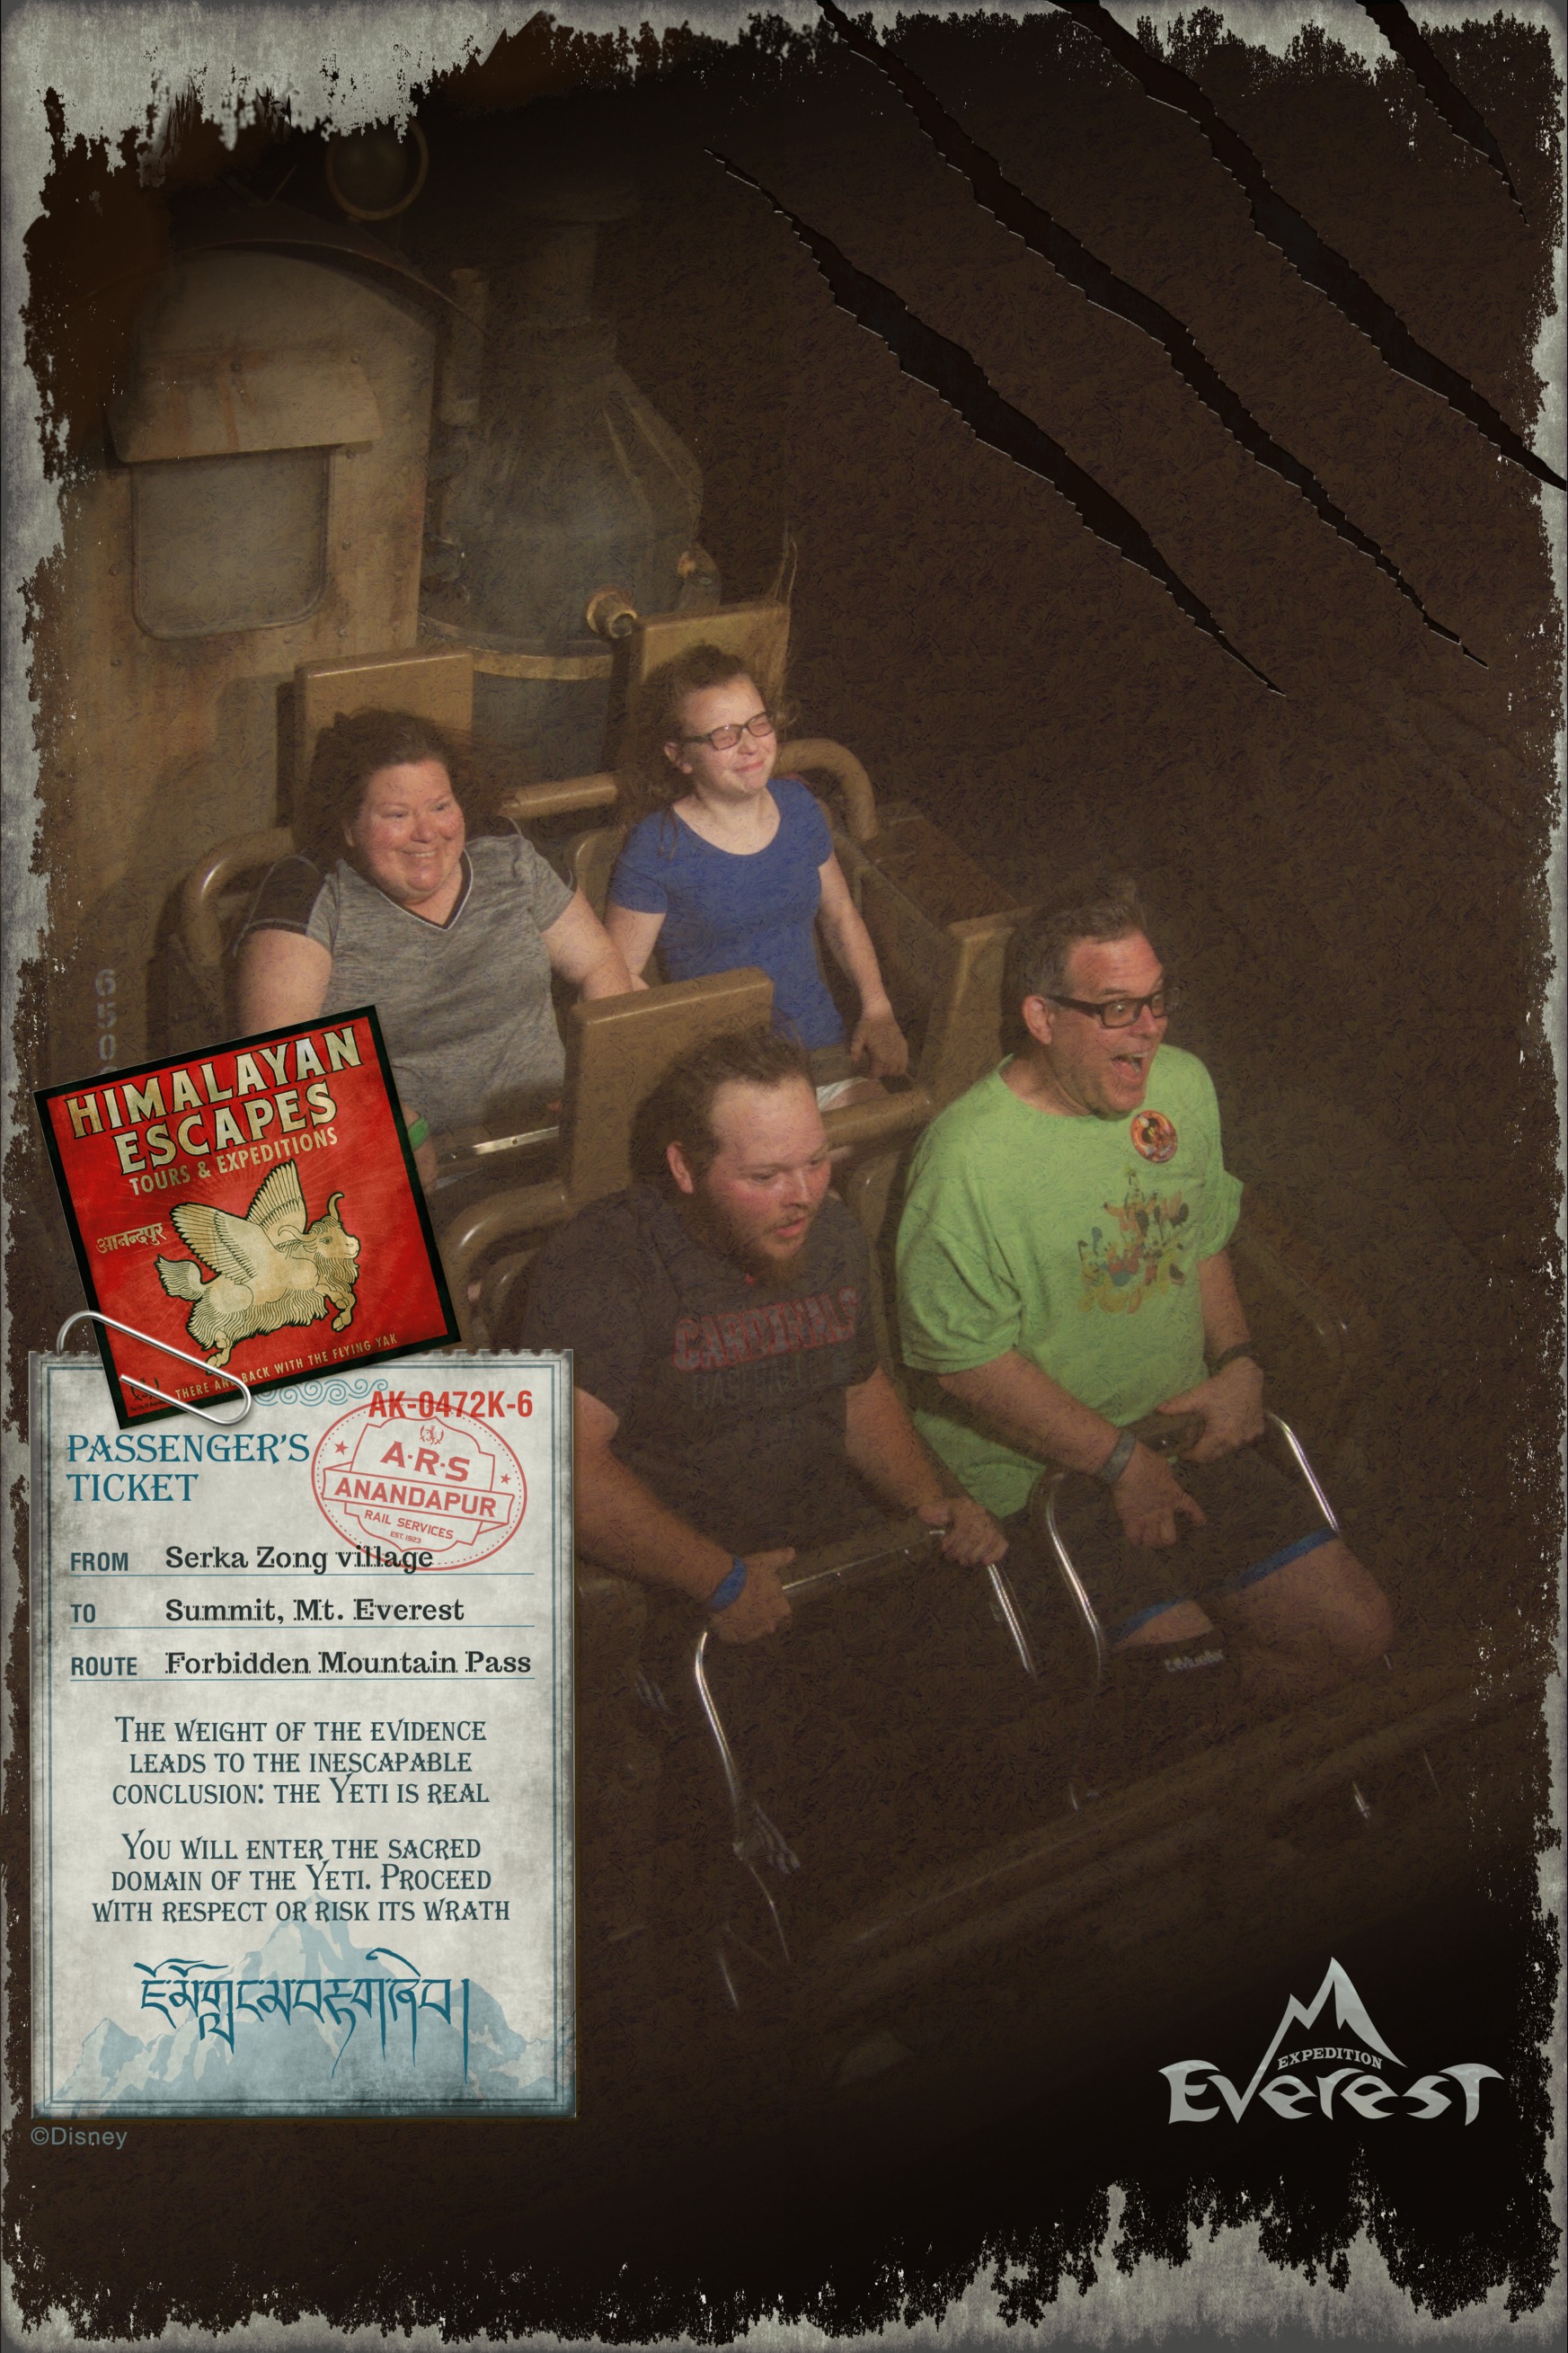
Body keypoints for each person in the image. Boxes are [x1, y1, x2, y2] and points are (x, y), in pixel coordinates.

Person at [896, 874, 1393, 1730]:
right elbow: (965, 1367)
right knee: (1185, 1684)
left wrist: (1238, 1364)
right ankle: (1173, 1757)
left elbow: (1198, 1238)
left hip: (1180, 1434)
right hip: (1040, 1480)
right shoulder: (965, 1162)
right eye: (1117, 1008)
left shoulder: (1182, 1087)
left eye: (1157, 1000)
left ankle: (1206, 1756)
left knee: (1357, 1634)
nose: (1150, 1028)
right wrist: (1121, 1463)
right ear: (1041, 1017)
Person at [511, 1025, 1005, 1644]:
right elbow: (559, 1462)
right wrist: (715, 1579)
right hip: (697, 1591)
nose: (802, 1197)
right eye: (765, 1176)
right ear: (685, 1168)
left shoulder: (831, 1236)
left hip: (837, 1557)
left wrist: (926, 1505)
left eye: (815, 1162)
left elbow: (856, 1391)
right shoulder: (607, 1259)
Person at [235, 709, 633, 1175]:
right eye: (397, 815)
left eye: (441, 807)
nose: (426, 833)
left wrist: (595, 1078)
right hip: (413, 1166)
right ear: (349, 826)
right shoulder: (311, 890)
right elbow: (277, 1056)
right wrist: (390, 1123)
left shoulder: (506, 853)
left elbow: (599, 963)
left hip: (556, 1139)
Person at [604, 644, 908, 1107]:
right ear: (680, 755)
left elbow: (840, 915)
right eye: (724, 735)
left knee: (883, 1133)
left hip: (821, 1051)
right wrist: (678, 1054)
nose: (750, 746)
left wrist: (878, 1008)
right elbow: (618, 978)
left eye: (758, 723)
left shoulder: (799, 807)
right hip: (729, 1076)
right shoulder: (658, 846)